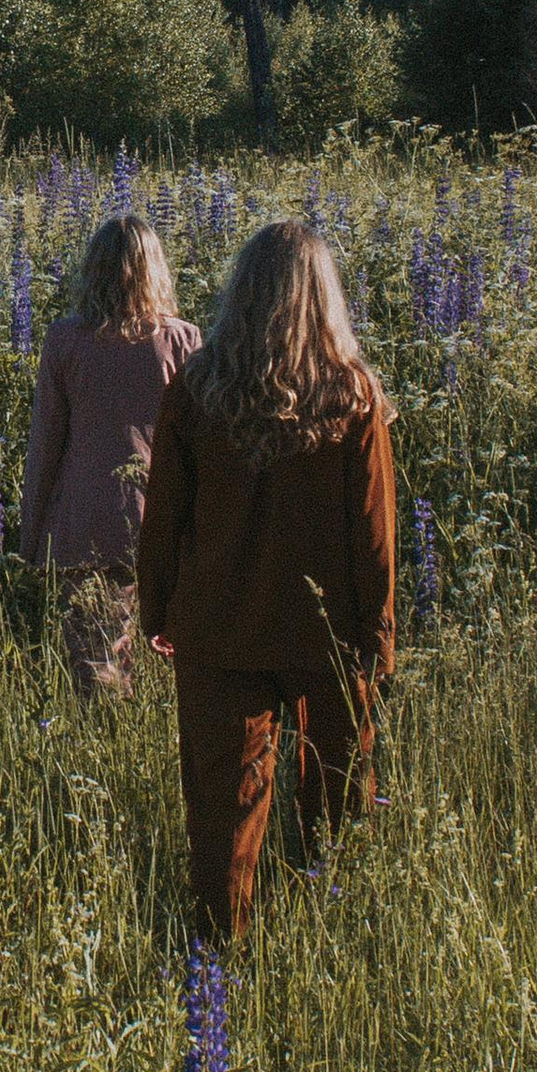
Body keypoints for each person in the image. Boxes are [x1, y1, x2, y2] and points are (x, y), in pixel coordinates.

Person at [134, 220, 395, 941]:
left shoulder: (198, 389)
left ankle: (220, 955)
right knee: (335, 806)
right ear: (325, 297)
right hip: (328, 638)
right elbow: (374, 538)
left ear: (240, 293)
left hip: (220, 629)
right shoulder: (353, 396)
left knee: (223, 817)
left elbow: (163, 521)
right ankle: (328, 943)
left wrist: (158, 611)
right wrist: (380, 640)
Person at [19, 216, 200, 694]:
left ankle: (100, 747)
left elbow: (45, 448)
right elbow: (198, 453)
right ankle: (122, 744)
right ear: (154, 270)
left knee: (93, 664)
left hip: (80, 522)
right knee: (148, 660)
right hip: (154, 520)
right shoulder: (181, 341)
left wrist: (30, 538)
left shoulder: (65, 339)